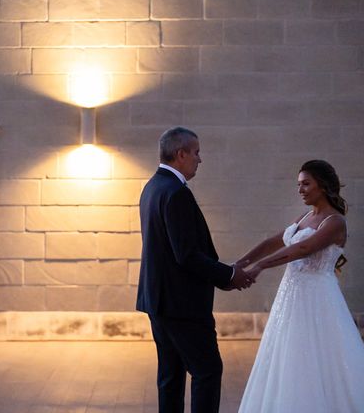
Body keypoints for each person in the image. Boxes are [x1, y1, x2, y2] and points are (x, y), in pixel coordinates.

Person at [136, 126, 255, 413]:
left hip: (159, 301)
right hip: (182, 305)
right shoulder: (175, 193)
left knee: (170, 376)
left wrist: (223, 273)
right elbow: (186, 255)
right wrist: (228, 275)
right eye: (196, 152)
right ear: (180, 154)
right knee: (207, 371)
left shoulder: (152, 187)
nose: (200, 159)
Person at [236, 160, 364, 412]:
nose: (300, 189)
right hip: (290, 299)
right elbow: (276, 240)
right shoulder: (306, 216)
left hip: (318, 300)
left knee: (318, 357)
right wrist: (241, 262)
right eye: (298, 185)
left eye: (306, 183)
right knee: (288, 357)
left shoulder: (335, 221)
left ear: (323, 186)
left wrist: (261, 266)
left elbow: (303, 248)